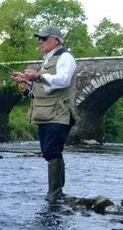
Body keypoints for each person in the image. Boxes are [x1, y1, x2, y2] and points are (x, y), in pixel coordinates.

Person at [11, 25, 77, 203]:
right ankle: (58, 193)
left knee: (52, 151)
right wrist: (26, 81)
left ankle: (54, 194)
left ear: (56, 40)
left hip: (59, 113)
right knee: (49, 153)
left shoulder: (65, 57)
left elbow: (63, 80)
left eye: (44, 38)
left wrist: (37, 77)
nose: (40, 42)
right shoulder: (46, 61)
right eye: (39, 38)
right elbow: (43, 88)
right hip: (44, 113)